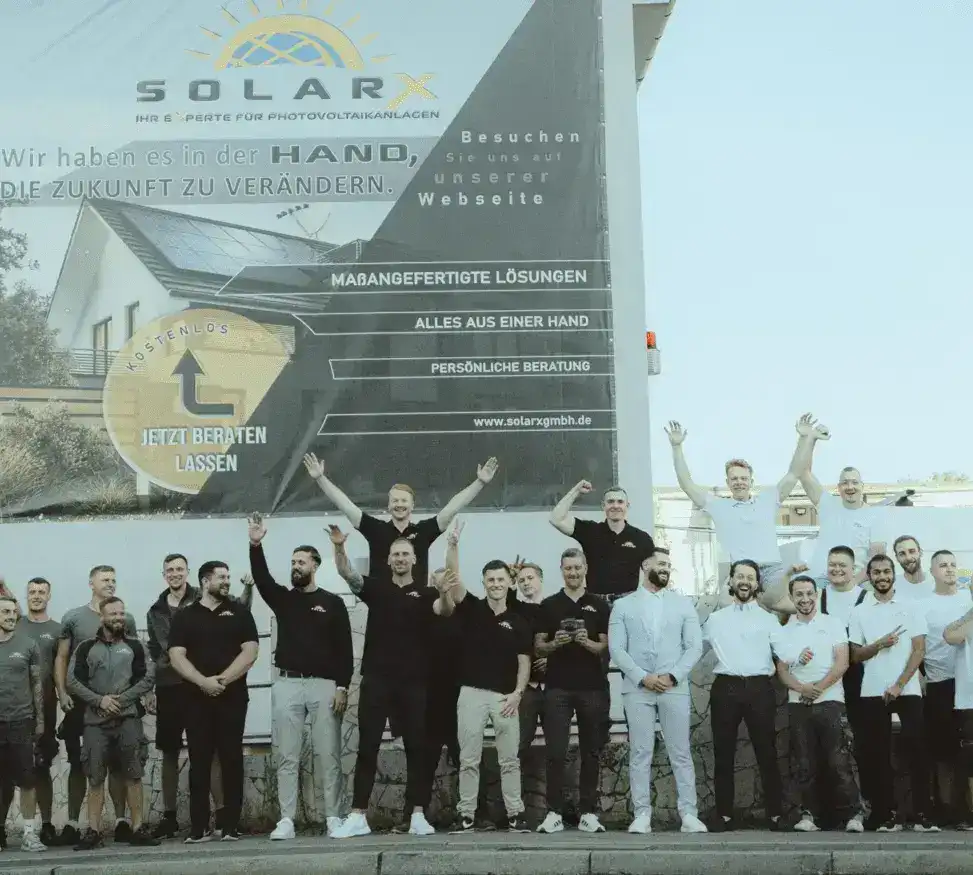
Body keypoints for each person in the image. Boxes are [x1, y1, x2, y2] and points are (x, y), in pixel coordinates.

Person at [329, 522, 460, 839]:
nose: (400, 558)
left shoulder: (427, 593)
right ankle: (358, 816)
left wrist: (444, 591)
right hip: (376, 680)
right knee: (367, 747)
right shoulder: (376, 589)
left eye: (405, 554)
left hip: (414, 682)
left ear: (414, 559)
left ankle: (417, 815)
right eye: (395, 554)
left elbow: (445, 610)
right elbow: (347, 573)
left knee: (417, 748)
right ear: (388, 560)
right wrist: (339, 547)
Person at [247, 513, 353, 840]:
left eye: (301, 562)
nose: (296, 567)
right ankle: (286, 820)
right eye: (293, 562)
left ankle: (333, 817)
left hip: (324, 686)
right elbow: (262, 579)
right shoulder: (284, 599)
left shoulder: (332, 603)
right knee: (287, 756)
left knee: (329, 755)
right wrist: (255, 545)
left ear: (315, 565)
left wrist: (342, 686)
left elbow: (344, 649)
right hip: (287, 684)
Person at [146, 554, 255, 839]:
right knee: (199, 758)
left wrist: (223, 680)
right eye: (222, 577)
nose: (227, 582)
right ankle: (198, 827)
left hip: (232, 697)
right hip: (194, 698)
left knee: (231, 757)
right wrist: (202, 682)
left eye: (228, 577)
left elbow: (250, 651)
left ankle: (229, 825)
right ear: (206, 582)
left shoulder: (239, 612)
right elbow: (175, 655)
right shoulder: (186, 616)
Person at [608, 549, 707, 834]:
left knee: (681, 751)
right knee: (640, 751)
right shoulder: (623, 606)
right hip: (638, 689)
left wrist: (673, 675)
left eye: (669, 565)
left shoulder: (683, 604)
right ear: (645, 565)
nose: (665, 568)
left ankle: (689, 814)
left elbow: (694, 647)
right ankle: (641, 814)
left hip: (674, 687)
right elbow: (617, 649)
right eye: (661, 563)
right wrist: (643, 677)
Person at [441, 526, 532, 834]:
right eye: (490, 580)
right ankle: (466, 815)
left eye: (501, 579)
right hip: (471, 694)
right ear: (484, 582)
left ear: (509, 583)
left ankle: (516, 815)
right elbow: (453, 577)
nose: (496, 584)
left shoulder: (518, 620)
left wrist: (518, 693)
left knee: (510, 760)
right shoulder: (472, 609)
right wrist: (453, 545)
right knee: (468, 759)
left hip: (505, 697)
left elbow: (524, 661)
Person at [665, 414, 815, 599]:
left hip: (771, 571)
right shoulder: (718, 506)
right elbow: (687, 485)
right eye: (734, 478)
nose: (739, 482)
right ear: (727, 482)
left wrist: (803, 438)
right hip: (740, 573)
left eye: (743, 478)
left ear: (751, 481)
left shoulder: (768, 500)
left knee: (783, 602)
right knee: (724, 605)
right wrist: (676, 447)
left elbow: (794, 473)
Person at [303, 452, 499, 586]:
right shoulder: (376, 529)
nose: (399, 504)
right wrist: (320, 478)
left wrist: (480, 482)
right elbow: (346, 505)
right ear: (388, 506)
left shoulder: (423, 531)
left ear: (412, 506)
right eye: (395, 500)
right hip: (382, 606)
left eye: (404, 501)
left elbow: (452, 508)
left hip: (417, 607)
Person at [847, 554, 935, 832]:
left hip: (908, 690)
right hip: (872, 691)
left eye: (886, 571)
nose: (882, 576)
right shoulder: (859, 612)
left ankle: (921, 815)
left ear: (893, 574)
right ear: (869, 576)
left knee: (918, 751)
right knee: (877, 755)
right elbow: (855, 655)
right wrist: (879, 644)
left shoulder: (911, 606)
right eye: (876, 572)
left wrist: (899, 684)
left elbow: (919, 650)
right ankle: (885, 814)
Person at [54, 566, 140, 847]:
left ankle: (122, 822)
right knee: (82, 763)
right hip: (82, 701)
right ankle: (74, 824)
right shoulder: (74, 617)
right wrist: (61, 691)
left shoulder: (125, 618)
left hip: (119, 704)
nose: (110, 583)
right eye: (105, 579)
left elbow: (136, 662)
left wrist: (132, 697)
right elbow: (62, 657)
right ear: (91, 583)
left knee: (119, 764)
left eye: (114, 579)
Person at [771, 574, 863, 833]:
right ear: (792, 598)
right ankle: (809, 816)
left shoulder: (833, 623)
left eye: (809, 593)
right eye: (799, 594)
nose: (805, 599)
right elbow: (782, 671)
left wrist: (818, 688)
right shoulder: (784, 631)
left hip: (831, 701)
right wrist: (802, 689)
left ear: (817, 594)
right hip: (798, 703)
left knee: (838, 761)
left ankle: (853, 815)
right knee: (804, 763)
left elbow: (842, 663)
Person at [66, 596, 159, 850]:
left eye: (121, 613)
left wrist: (121, 700)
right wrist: (100, 701)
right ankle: (93, 832)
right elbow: (72, 681)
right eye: (113, 614)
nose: (118, 618)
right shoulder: (85, 647)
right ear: (102, 617)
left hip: (128, 720)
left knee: (133, 775)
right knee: (95, 777)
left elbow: (148, 677)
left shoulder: (136, 646)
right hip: (95, 723)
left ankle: (138, 829)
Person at [701, 560, 784, 831]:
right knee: (723, 753)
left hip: (760, 688)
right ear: (731, 581)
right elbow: (694, 649)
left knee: (767, 751)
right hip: (726, 688)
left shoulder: (769, 620)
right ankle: (724, 814)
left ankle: (776, 814)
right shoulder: (715, 620)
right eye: (740, 576)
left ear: (757, 583)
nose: (744, 581)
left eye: (750, 577)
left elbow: (786, 652)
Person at [533, 548, 611, 834]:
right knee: (555, 752)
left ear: (585, 568)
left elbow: (606, 647)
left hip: (592, 687)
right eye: (568, 568)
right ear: (562, 570)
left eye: (577, 567)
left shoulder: (600, 605)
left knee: (591, 751)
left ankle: (588, 812)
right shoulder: (549, 605)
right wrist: (557, 642)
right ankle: (553, 812)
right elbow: (539, 647)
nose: (573, 573)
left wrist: (585, 641)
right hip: (558, 687)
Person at [917, 550, 972, 826]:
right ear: (932, 571)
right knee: (942, 750)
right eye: (943, 565)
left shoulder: (968, 600)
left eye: (953, 565)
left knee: (967, 750)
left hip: (967, 684)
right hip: (939, 682)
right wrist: (922, 679)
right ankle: (945, 808)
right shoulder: (923, 605)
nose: (949, 569)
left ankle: (964, 810)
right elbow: (918, 647)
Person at [548, 483, 655, 601]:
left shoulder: (641, 538)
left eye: (620, 502)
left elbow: (653, 574)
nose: (615, 506)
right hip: (596, 603)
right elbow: (556, 519)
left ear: (627, 506)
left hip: (628, 602)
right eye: (610, 502)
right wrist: (576, 491)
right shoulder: (590, 531)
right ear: (603, 506)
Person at [16, 578, 61, 847]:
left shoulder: (57, 630)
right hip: (14, 710)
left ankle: (46, 825)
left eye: (41, 592)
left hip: (46, 709)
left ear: (48, 596)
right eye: (32, 591)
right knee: (13, 770)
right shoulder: (14, 625)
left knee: (42, 767)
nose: (36, 596)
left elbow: (60, 670)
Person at [0, 595, 46, 853]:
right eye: (4, 612)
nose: (11, 616)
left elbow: (37, 684)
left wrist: (39, 720)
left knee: (27, 779)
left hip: (21, 721)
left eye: (13, 612)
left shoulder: (28, 645)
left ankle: (29, 834)